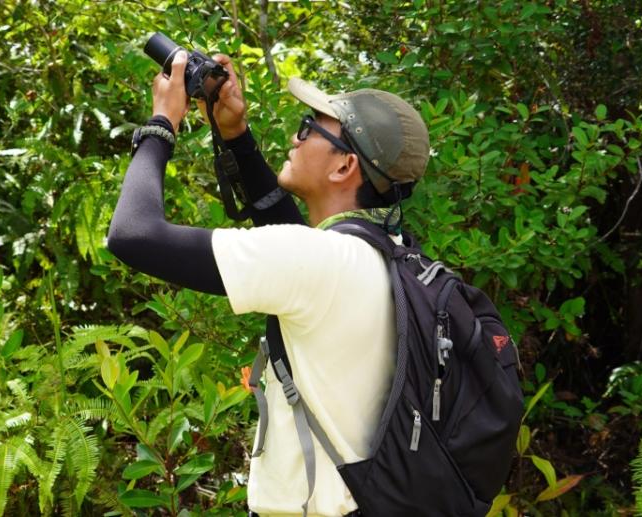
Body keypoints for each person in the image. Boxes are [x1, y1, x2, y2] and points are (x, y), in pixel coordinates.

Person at [107, 50, 430, 517]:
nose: (296, 138)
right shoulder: (386, 253)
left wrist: (162, 122)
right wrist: (235, 135)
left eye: (310, 128)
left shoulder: (317, 261)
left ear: (344, 167)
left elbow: (133, 235)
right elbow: (290, 234)